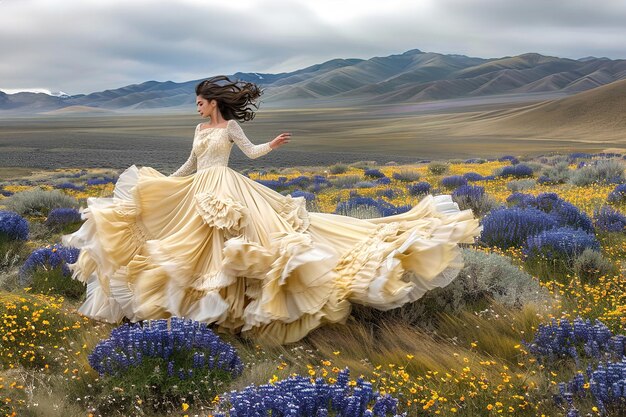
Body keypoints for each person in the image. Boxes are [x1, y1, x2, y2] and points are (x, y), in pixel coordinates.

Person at [63, 75, 480, 344]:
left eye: (200, 102)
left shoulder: (230, 128)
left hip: (227, 187)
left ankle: (230, 313)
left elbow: (250, 152)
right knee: (188, 247)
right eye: (197, 104)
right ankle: (204, 314)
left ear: (213, 102)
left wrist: (273, 146)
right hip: (198, 187)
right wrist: (163, 184)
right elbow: (190, 164)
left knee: (240, 242)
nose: (197, 108)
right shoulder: (198, 129)